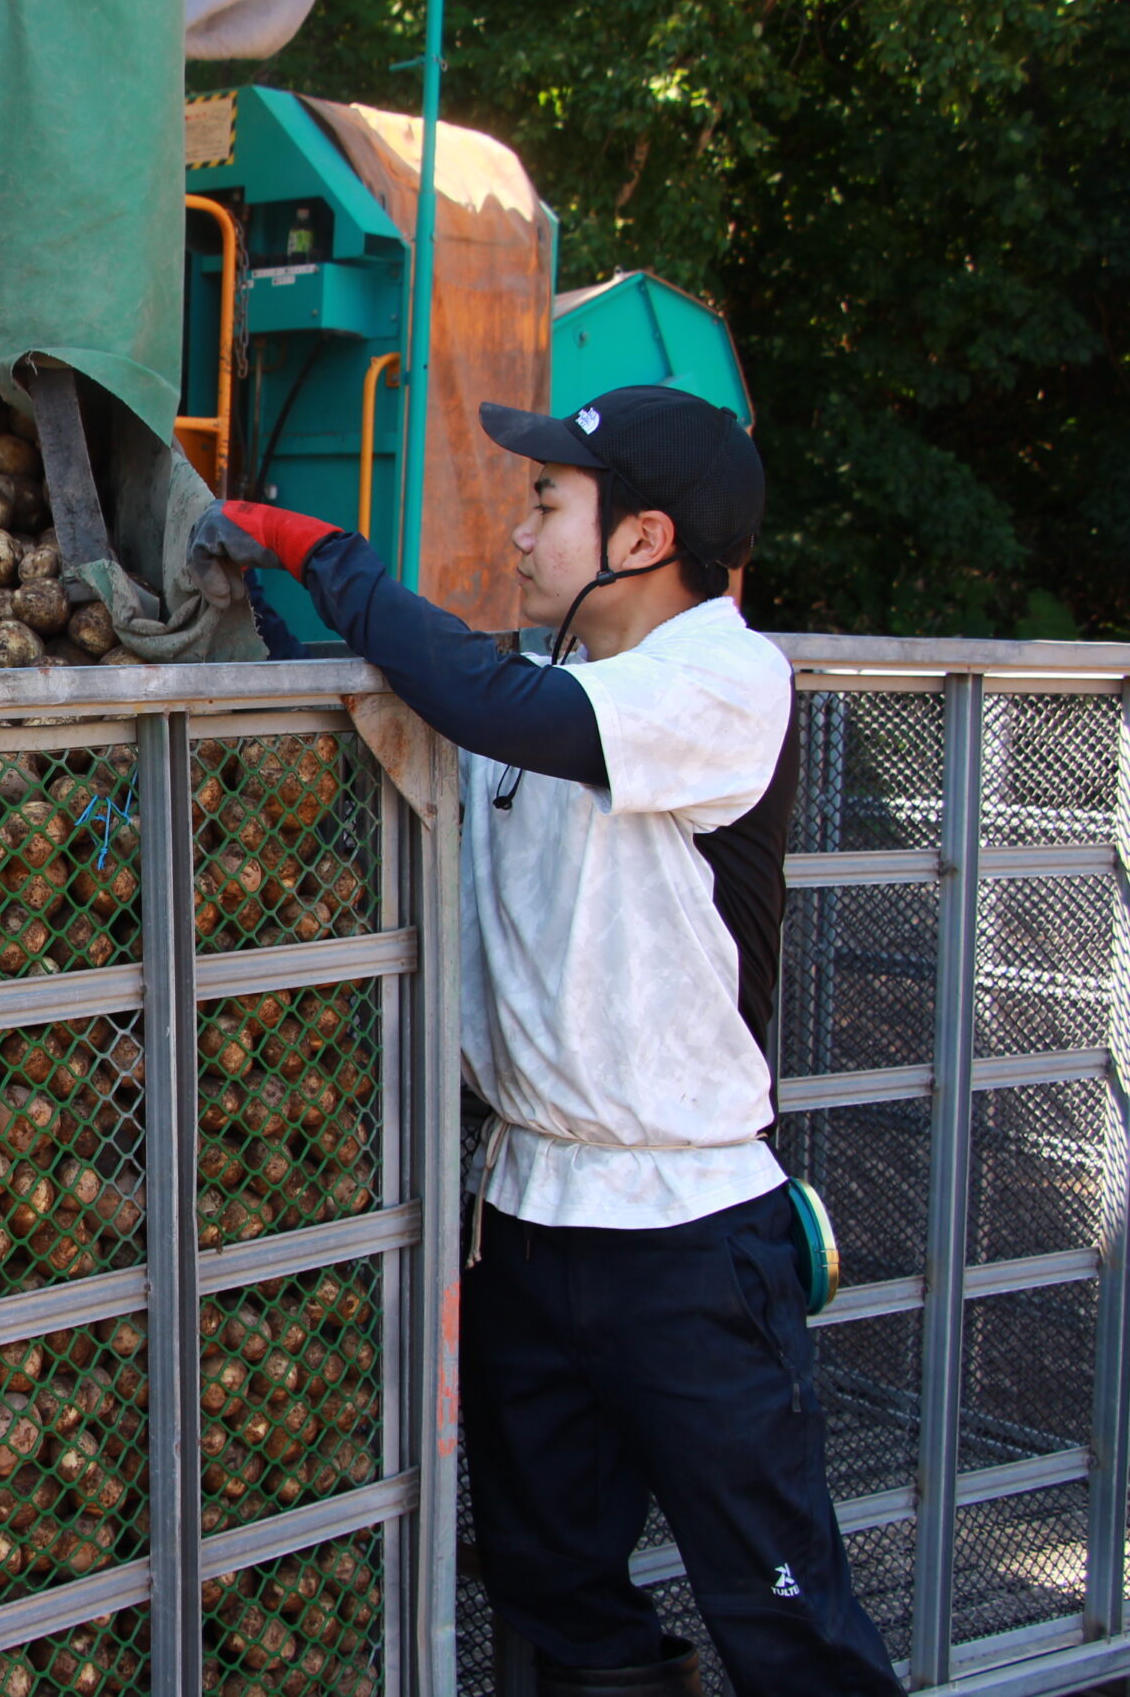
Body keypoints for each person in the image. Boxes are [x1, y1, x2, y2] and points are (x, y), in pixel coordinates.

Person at [188, 386, 903, 1697]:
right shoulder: (557, 685)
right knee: (549, 1587)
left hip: (688, 1238)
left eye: (546, 505)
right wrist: (253, 597)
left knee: (784, 1613)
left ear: (640, 539)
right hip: (526, 1219)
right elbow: (449, 701)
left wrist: (324, 554)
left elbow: (495, 708)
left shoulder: (723, 683)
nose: (518, 535)